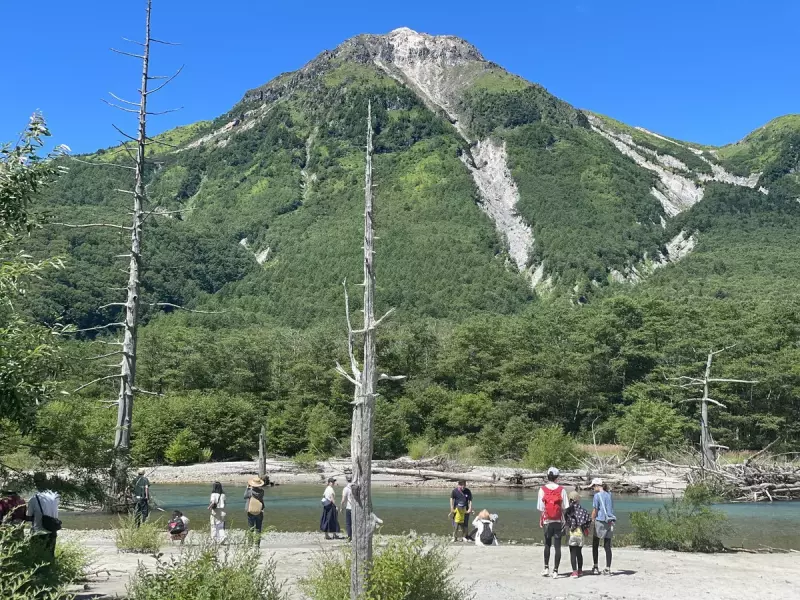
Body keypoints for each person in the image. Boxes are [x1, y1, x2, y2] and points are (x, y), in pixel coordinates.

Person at [537, 466, 569, 578]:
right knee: (557, 546)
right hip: (558, 521)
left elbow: (541, 508)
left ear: (548, 476)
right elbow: (565, 507)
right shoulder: (561, 490)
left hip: (547, 521)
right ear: (557, 477)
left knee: (547, 544)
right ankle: (555, 571)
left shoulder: (542, 489)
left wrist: (541, 519)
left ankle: (546, 568)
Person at [590, 478, 616, 575]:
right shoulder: (609, 494)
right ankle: (608, 568)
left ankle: (596, 566)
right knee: (607, 545)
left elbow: (595, 510)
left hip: (600, 521)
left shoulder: (597, 496)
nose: (592, 488)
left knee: (595, 544)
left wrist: (592, 520)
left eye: (593, 486)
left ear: (597, 486)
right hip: (610, 521)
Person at [564, 490, 592, 578]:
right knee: (579, 552)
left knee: (572, 553)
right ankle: (580, 570)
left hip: (572, 533)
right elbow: (588, 521)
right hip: (580, 534)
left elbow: (566, 522)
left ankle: (574, 572)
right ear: (578, 500)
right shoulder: (583, 511)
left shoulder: (568, 511)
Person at [26, 488, 60, 559]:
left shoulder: (34, 499)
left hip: (39, 532)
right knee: (50, 555)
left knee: (36, 556)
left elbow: (29, 517)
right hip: (52, 530)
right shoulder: (54, 498)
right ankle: (51, 569)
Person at [244, 477, 265, 546]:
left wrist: (247, 488)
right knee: (258, 528)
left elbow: (245, 496)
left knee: (251, 528)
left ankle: (250, 543)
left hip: (251, 511)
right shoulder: (262, 491)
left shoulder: (250, 491)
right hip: (260, 511)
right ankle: (257, 543)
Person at [340, 475, 354, 542]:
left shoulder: (346, 489)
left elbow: (343, 500)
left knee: (348, 524)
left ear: (346, 480)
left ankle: (349, 537)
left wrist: (341, 507)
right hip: (356, 508)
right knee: (355, 523)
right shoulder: (355, 487)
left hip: (349, 507)